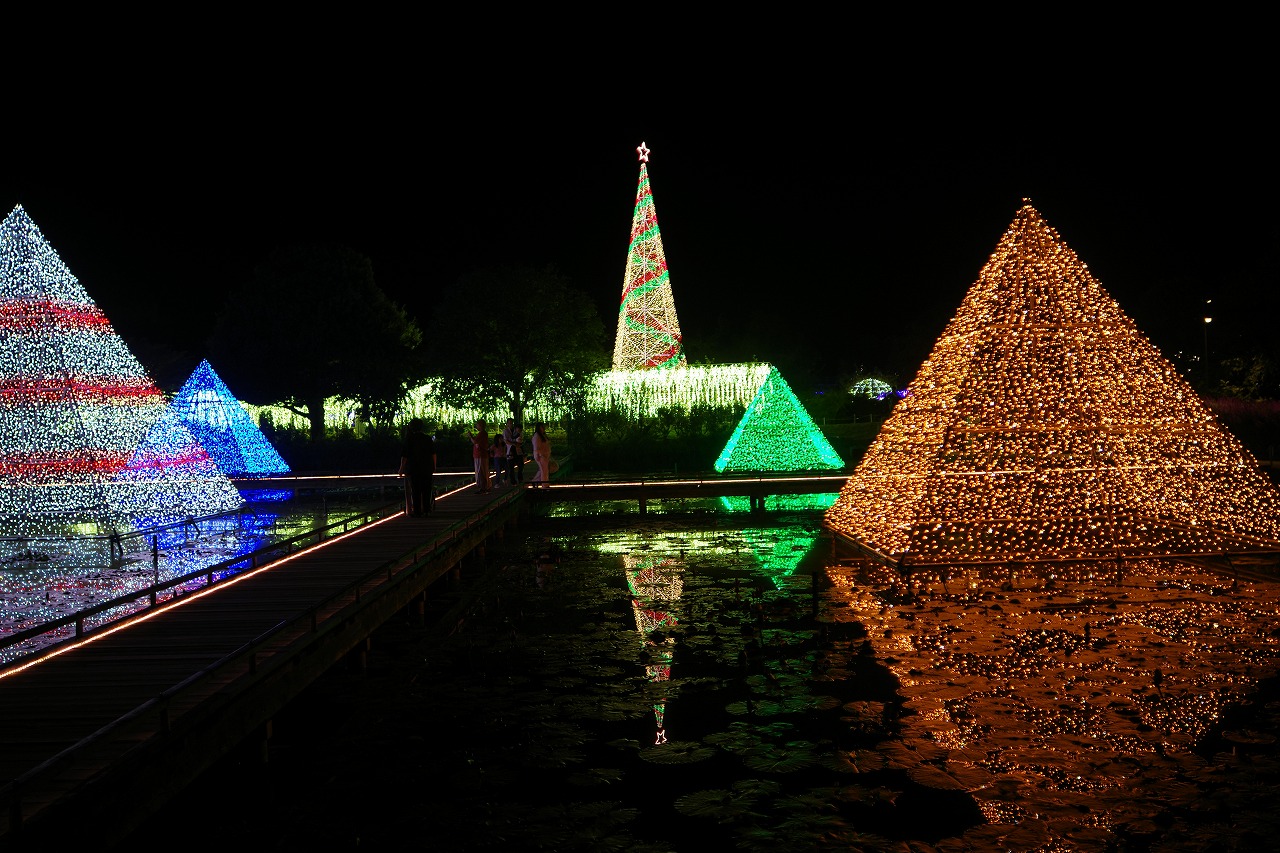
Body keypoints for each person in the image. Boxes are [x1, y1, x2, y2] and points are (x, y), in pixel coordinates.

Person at [397, 418, 436, 517]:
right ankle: (427, 510)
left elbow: (404, 456)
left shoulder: (409, 439)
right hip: (426, 467)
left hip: (413, 468)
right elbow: (433, 454)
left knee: (416, 490)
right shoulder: (427, 439)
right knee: (426, 489)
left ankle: (417, 511)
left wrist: (401, 468)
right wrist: (434, 465)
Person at [469, 419, 491, 492]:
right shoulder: (483, 434)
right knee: (482, 470)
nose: (476, 426)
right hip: (480, 455)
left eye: (477, 425)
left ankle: (483, 487)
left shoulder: (482, 433)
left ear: (480, 425)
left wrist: (470, 436)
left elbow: (475, 442)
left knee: (480, 471)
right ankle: (484, 486)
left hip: (480, 455)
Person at [502, 418, 524, 485]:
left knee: (521, 465)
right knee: (511, 467)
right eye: (510, 423)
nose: (511, 424)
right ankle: (513, 481)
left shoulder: (516, 430)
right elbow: (506, 440)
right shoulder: (505, 431)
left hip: (517, 449)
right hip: (510, 449)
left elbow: (521, 439)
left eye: (512, 423)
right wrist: (513, 443)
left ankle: (520, 478)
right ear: (507, 424)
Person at [532, 422, 551, 488]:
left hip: (544, 455)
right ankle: (545, 485)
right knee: (544, 470)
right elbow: (536, 447)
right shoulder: (537, 436)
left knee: (543, 470)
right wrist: (540, 455)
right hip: (541, 456)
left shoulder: (542, 435)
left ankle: (535, 481)